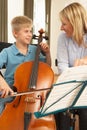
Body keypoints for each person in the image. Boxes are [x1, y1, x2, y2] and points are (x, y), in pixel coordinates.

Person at [0, 15, 51, 113]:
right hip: (12, 90)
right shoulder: (7, 52)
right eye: (26, 31)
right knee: (2, 104)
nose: (30, 34)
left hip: (33, 89)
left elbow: (47, 67)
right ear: (15, 33)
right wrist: (2, 83)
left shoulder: (35, 50)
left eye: (31, 31)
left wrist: (48, 53)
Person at [55, 2, 87, 130]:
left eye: (64, 24)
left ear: (75, 23)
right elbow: (62, 67)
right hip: (70, 84)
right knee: (59, 107)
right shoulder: (62, 38)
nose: (61, 28)